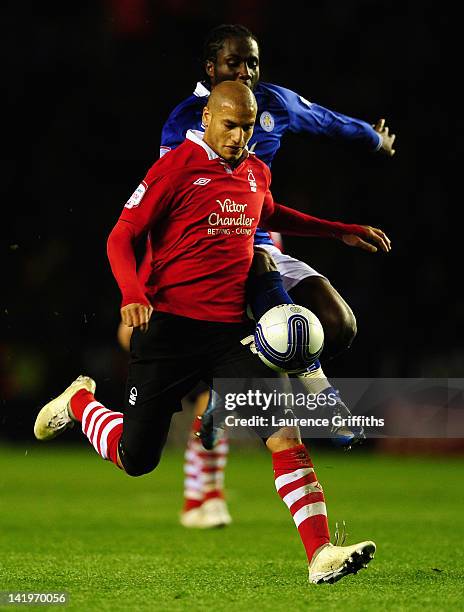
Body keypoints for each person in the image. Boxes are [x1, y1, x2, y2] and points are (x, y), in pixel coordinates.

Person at [35, 81, 389, 584]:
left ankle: (320, 554)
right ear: (206, 118)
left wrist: (336, 230)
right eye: (229, 124)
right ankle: (80, 405)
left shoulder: (254, 170)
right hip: (171, 331)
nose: (239, 135)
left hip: (230, 334)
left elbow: (270, 214)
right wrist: (132, 292)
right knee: (137, 459)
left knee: (283, 432)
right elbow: (121, 235)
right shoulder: (175, 167)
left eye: (247, 126)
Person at [156, 23, 396, 528]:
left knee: (339, 322)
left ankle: (232, 395)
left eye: (252, 63)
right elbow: (162, 207)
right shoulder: (183, 123)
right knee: (272, 328)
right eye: (232, 63)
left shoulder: (273, 104)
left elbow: (325, 121)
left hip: (261, 242)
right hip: (207, 259)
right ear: (209, 68)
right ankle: (314, 395)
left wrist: (372, 138)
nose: (244, 71)